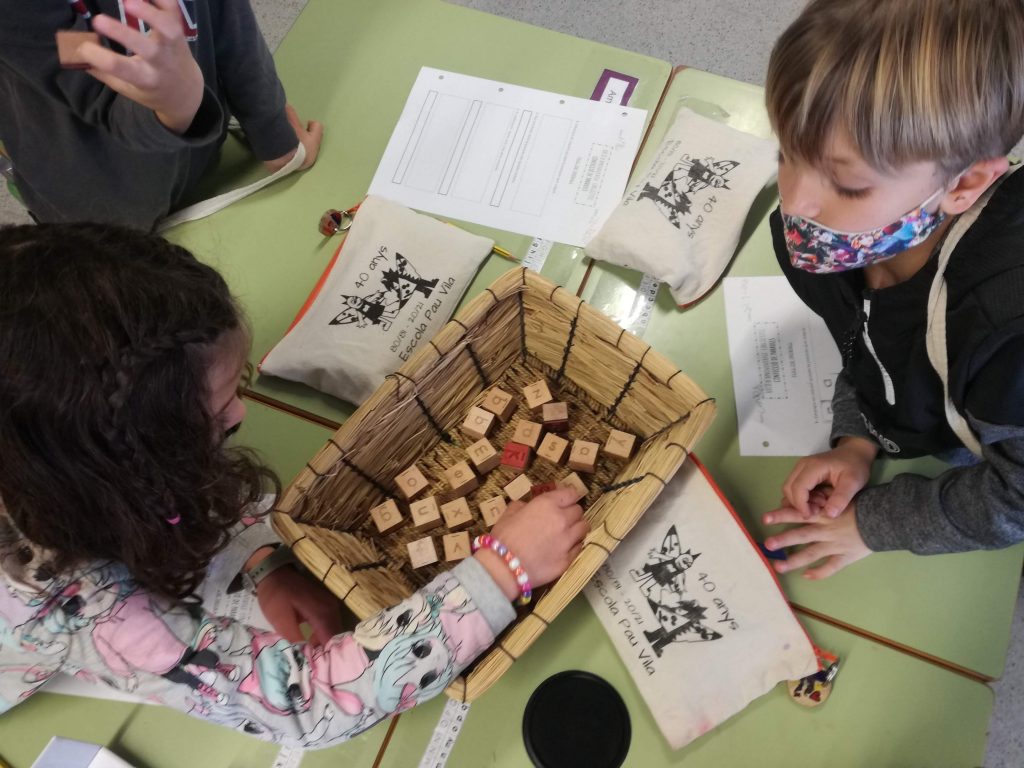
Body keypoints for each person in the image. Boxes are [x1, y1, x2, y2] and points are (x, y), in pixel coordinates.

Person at [0, 223, 589, 747]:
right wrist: (501, 569)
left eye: (239, 384)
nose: (240, 414)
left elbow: (167, 492)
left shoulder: (64, 452)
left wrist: (258, 559)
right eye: (217, 412)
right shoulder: (69, 602)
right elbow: (307, 706)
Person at [759, 0, 1024, 579]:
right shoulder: (834, 241)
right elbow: (865, 346)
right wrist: (857, 439)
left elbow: (1016, 496)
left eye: (848, 185)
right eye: (786, 153)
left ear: (966, 182)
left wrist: (873, 524)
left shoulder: (1005, 332)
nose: (796, 202)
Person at [0, 0, 322, 228]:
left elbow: (228, 18)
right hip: (100, 216)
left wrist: (272, 134)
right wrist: (177, 101)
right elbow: (96, 92)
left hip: (200, 161)